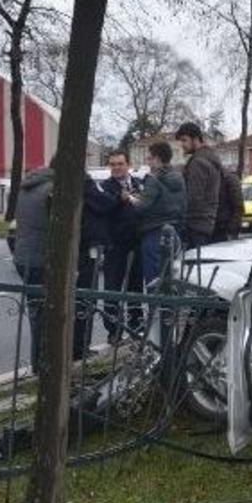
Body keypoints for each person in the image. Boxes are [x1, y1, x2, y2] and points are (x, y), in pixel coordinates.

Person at [126, 140, 186, 287]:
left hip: (154, 232)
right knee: (169, 277)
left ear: (157, 159)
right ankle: (168, 309)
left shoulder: (153, 179)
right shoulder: (179, 178)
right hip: (173, 231)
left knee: (153, 279)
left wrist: (130, 198)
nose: (148, 161)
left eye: (150, 158)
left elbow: (142, 207)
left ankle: (155, 310)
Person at [12, 166, 54, 370]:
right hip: (41, 257)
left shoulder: (26, 187)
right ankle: (42, 364)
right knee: (46, 314)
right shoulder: (52, 189)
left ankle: (38, 361)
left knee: (36, 310)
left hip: (23, 256)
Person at [73, 172, 117, 359]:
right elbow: (105, 203)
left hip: (75, 245)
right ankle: (80, 347)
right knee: (86, 298)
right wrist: (117, 198)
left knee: (78, 299)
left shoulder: (57, 182)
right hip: (86, 245)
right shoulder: (84, 181)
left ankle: (75, 346)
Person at [101, 151, 144, 342]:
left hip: (137, 242)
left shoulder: (138, 184)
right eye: (113, 164)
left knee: (136, 287)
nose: (116, 168)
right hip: (115, 244)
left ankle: (137, 325)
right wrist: (121, 199)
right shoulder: (105, 187)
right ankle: (114, 330)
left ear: (128, 164)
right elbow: (105, 208)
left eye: (120, 164)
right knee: (113, 288)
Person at [175, 121, 221, 248]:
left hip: (195, 224)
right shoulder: (210, 159)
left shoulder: (198, 163)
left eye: (184, 140)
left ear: (195, 139)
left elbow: (193, 196)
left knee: (193, 264)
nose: (182, 145)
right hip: (206, 222)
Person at [213, 158, 244, 242]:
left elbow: (238, 206)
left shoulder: (229, 179)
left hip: (224, 227)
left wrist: (232, 229)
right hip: (217, 226)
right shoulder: (219, 179)